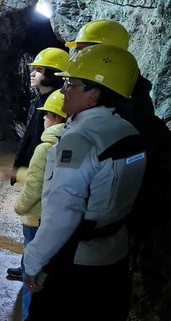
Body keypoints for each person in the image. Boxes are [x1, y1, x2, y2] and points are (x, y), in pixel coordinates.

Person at [21, 44, 147, 321]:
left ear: (94, 95)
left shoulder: (80, 139)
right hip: (115, 255)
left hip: (76, 265)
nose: (64, 90)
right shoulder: (127, 131)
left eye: (72, 84)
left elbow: (63, 213)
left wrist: (33, 261)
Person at [65, 19, 171, 278]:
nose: (76, 55)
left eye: (83, 48)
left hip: (105, 224)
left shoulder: (122, 107)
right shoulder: (134, 95)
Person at [6, 47, 69, 280]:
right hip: (36, 166)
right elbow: (30, 139)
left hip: (46, 174)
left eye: (39, 70)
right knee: (31, 228)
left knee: (36, 226)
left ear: (53, 73)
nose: (32, 74)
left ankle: (32, 271)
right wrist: (19, 167)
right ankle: (26, 267)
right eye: (33, 69)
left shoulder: (59, 104)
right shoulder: (39, 102)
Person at [12, 91, 67, 321]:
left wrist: (18, 207)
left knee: (31, 271)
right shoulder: (71, 143)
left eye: (46, 116)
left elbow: (34, 188)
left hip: (35, 220)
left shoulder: (45, 148)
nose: (43, 120)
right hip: (57, 220)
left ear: (54, 117)